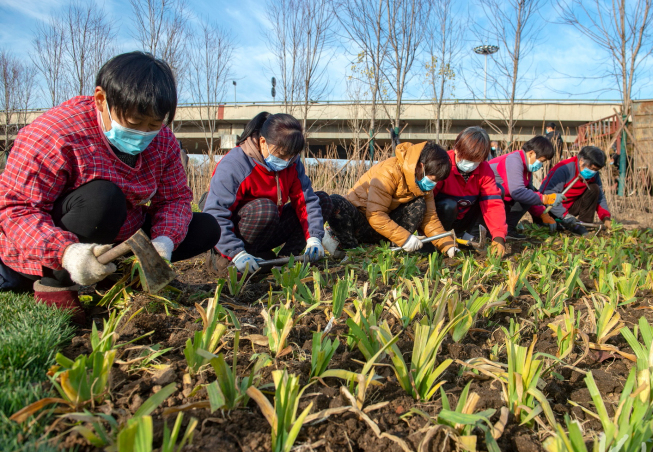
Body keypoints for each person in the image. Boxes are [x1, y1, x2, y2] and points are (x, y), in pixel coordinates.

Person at [0, 51, 220, 321]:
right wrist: (66, 252)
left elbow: (174, 199)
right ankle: (55, 282)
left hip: (119, 236)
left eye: (153, 124)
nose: (143, 134)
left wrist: (163, 241)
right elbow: (17, 209)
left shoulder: (163, 141)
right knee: (103, 198)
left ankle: (118, 273)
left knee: (205, 228)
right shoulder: (54, 133)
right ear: (101, 100)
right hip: (56, 240)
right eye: (134, 123)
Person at [202, 112, 331, 275]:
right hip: (238, 233)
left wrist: (314, 237)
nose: (286, 161)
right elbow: (215, 215)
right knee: (265, 209)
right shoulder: (235, 165)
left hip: (269, 228)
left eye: (292, 157)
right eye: (282, 155)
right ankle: (230, 259)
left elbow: (306, 201)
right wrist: (236, 252)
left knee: (322, 200)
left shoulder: (292, 162)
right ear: (263, 142)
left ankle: (288, 260)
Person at [327, 142, 458, 257]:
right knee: (335, 201)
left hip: (384, 227)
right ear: (421, 167)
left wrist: (447, 246)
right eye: (432, 179)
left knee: (419, 204)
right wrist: (405, 238)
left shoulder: (423, 187)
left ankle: (387, 247)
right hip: (361, 220)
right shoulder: (389, 171)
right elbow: (375, 215)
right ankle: (349, 249)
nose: (433, 184)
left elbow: (430, 218)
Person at [432, 127, 507, 257]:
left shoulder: (484, 170)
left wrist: (499, 237)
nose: (470, 165)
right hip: (442, 219)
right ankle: (441, 239)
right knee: (448, 205)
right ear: (456, 148)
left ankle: (471, 235)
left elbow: (492, 203)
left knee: (499, 190)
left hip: (465, 218)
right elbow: (427, 202)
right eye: (466, 158)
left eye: (476, 161)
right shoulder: (441, 164)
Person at [531, 145, 612, 237]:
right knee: (550, 224)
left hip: (569, 208)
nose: (593, 172)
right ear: (581, 161)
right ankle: (563, 224)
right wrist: (564, 215)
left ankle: (584, 226)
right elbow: (546, 193)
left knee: (594, 188)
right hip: (550, 209)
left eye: (596, 170)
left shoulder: (594, 174)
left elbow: (600, 196)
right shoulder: (564, 169)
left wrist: (606, 217)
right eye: (592, 169)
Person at [487, 136, 558, 240]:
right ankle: (497, 231)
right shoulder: (514, 160)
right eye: (541, 160)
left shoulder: (527, 168)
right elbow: (517, 192)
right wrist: (545, 199)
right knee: (524, 195)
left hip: (502, 200)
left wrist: (543, 214)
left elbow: (530, 193)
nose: (540, 164)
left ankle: (508, 230)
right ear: (531, 153)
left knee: (528, 195)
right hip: (488, 201)